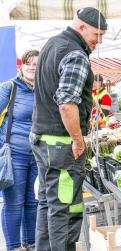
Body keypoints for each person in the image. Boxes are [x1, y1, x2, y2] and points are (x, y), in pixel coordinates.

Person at [30, 7, 107, 251]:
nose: (99, 41)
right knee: (63, 208)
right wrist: (78, 140)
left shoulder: (52, 44)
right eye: (97, 34)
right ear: (81, 27)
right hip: (61, 144)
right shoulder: (75, 54)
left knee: (48, 203)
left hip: (43, 139)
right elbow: (66, 103)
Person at [0, 49, 39, 251]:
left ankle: (31, 243)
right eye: (28, 63)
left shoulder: (43, 90)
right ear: (21, 67)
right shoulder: (9, 88)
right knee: (14, 203)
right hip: (14, 155)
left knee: (33, 203)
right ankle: (14, 247)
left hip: (38, 156)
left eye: (36, 63)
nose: (32, 67)